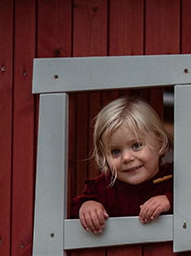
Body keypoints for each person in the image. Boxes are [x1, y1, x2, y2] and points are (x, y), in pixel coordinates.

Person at [72, 96, 173, 233]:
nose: (126, 158)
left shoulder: (174, 180)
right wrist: (88, 207)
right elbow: (76, 206)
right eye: (115, 151)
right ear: (104, 157)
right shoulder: (105, 187)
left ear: (160, 143)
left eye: (136, 145)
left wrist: (170, 201)